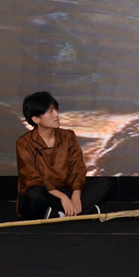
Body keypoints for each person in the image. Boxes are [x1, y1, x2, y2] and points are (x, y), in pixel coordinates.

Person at [16, 91, 113, 220]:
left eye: (55, 109)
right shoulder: (24, 143)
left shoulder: (68, 136)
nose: (56, 114)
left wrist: (76, 194)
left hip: (68, 191)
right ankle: (82, 211)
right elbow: (31, 178)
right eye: (50, 111)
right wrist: (62, 197)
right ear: (36, 119)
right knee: (33, 194)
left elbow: (77, 167)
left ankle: (59, 214)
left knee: (105, 183)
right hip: (47, 194)